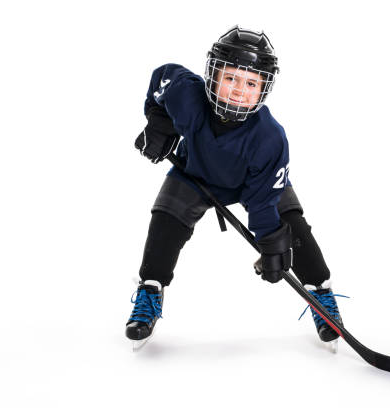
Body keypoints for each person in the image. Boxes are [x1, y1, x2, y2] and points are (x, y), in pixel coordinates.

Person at [126, 26, 344, 349]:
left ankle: (321, 294)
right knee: (164, 222)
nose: (240, 90)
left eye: (251, 83)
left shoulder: (269, 139)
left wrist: (271, 242)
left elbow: (263, 204)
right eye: (231, 79)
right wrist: (159, 124)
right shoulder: (186, 96)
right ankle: (150, 290)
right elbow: (161, 79)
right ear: (213, 76)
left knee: (293, 229)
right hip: (194, 173)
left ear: (263, 89)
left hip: (255, 186)